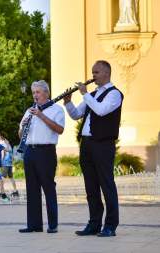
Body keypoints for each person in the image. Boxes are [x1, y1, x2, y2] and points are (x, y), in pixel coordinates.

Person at [63, 60, 123, 237]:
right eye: (93, 72)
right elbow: (76, 115)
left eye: (96, 72)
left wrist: (84, 94)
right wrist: (67, 103)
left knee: (107, 184)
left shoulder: (115, 94)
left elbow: (101, 111)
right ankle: (94, 223)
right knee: (91, 187)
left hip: (103, 144)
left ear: (106, 73)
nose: (93, 76)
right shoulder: (94, 94)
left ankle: (110, 225)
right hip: (87, 144)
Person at [18, 80, 65, 234]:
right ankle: (34, 225)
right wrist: (24, 125)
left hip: (46, 152)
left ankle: (53, 225)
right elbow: (20, 135)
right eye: (33, 93)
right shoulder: (29, 110)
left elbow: (59, 129)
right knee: (32, 189)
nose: (35, 95)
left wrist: (41, 116)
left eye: (38, 92)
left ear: (46, 93)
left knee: (48, 188)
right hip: (29, 152)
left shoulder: (57, 109)